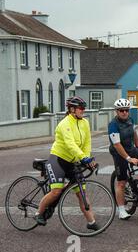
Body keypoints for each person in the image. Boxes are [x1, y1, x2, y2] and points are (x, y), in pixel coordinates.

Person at [34, 96, 98, 229]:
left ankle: (91, 222)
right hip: (58, 159)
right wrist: (82, 157)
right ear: (72, 109)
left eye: (83, 108)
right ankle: (39, 213)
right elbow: (70, 144)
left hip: (73, 161)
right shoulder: (64, 124)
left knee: (82, 193)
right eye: (81, 108)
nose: (83, 110)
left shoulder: (85, 123)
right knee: (56, 191)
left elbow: (87, 143)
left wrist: (86, 158)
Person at [109, 98, 138, 220]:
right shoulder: (113, 125)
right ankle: (121, 210)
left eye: (126, 110)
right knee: (122, 182)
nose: (124, 112)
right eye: (121, 110)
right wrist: (128, 158)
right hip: (119, 153)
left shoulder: (130, 120)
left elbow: (134, 133)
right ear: (117, 111)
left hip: (131, 148)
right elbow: (117, 145)